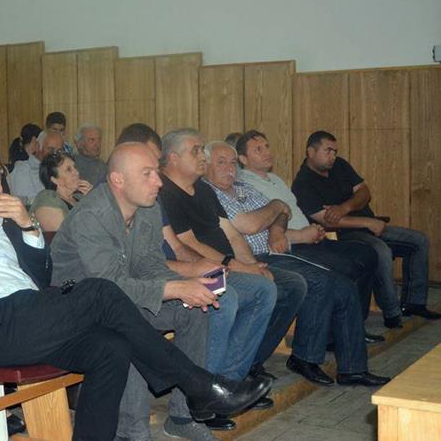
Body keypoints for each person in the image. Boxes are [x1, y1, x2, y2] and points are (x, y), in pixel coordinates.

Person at [0, 143, 270, 441]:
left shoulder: (7, 217)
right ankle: (197, 385)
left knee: (110, 347)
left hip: (30, 314)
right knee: (100, 292)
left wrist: (28, 227)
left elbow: (39, 276)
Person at [52, 142, 273, 439]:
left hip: (126, 295)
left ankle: (183, 416)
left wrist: (187, 288)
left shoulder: (149, 207)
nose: (158, 181)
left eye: (156, 172)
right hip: (78, 308)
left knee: (194, 309)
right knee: (126, 325)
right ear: (118, 180)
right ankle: (132, 431)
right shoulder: (91, 216)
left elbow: (149, 264)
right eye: (147, 174)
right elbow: (108, 287)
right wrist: (175, 287)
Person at [204, 139, 389, 387]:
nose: (229, 168)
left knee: (343, 285)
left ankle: (352, 369)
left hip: (274, 251)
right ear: (205, 165)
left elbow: (284, 213)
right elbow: (251, 224)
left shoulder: (242, 187)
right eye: (221, 163)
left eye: (232, 163)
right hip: (250, 259)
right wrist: (274, 208)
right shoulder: (210, 193)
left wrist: (275, 227)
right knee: (320, 282)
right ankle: (302, 358)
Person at [159, 129, 306, 386]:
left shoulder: (203, 189)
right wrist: (239, 268)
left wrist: (252, 265)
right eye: (195, 151)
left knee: (286, 284)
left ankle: (237, 373)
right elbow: (188, 245)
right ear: (173, 158)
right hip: (196, 269)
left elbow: (232, 234)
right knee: (237, 295)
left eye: (202, 149)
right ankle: (214, 384)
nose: (202, 156)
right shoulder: (166, 193)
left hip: (225, 265)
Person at [235, 130, 383, 341]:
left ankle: (355, 326)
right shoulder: (244, 186)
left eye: (267, 146)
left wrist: (314, 229)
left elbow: (292, 212)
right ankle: (336, 335)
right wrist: (302, 235)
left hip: (310, 237)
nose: (266, 152)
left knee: (367, 254)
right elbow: (263, 231)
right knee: (345, 267)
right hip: (291, 245)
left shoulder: (275, 179)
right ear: (242, 159)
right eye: (258, 149)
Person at [292, 131, 441, 327]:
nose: (333, 156)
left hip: (369, 224)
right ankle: (392, 313)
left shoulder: (340, 165)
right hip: (344, 235)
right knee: (380, 251)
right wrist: (366, 222)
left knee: (419, 240)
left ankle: (413, 303)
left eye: (335, 152)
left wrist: (344, 208)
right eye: (328, 151)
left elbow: (364, 191)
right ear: (311, 152)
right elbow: (326, 221)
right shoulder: (302, 184)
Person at [30, 152, 92, 232]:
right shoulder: (47, 198)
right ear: (54, 180)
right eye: (69, 170)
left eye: (75, 167)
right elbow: (63, 234)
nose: (77, 172)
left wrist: (94, 198)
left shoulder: (80, 197)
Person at [10, 130, 64, 204]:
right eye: (51, 149)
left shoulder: (62, 170)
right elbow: (25, 202)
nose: (55, 154)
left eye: (59, 151)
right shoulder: (22, 169)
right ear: (38, 147)